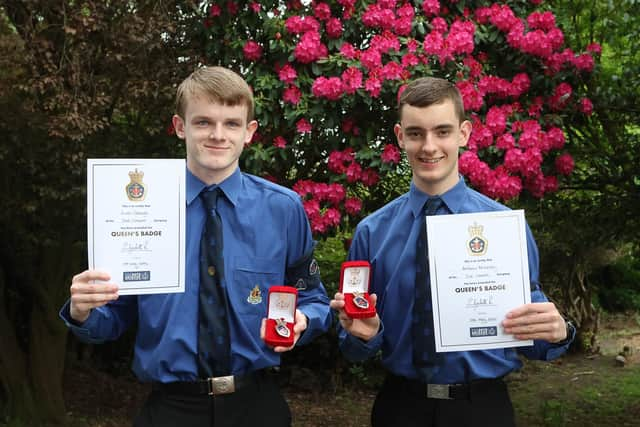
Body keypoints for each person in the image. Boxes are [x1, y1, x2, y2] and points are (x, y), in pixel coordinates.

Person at [60, 66, 332, 427]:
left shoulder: (283, 209)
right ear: (179, 126)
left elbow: (313, 299)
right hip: (170, 409)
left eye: (232, 123)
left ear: (249, 132)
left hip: (257, 406)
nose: (218, 135)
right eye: (203, 122)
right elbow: (115, 317)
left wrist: (304, 321)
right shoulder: (135, 209)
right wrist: (84, 311)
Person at [330, 77, 575, 427]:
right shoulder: (372, 232)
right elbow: (352, 347)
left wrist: (559, 331)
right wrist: (363, 336)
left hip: (482, 409)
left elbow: (531, 336)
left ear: (463, 133)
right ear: (400, 136)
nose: (429, 146)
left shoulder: (505, 227)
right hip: (400, 409)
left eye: (442, 131)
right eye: (416, 133)